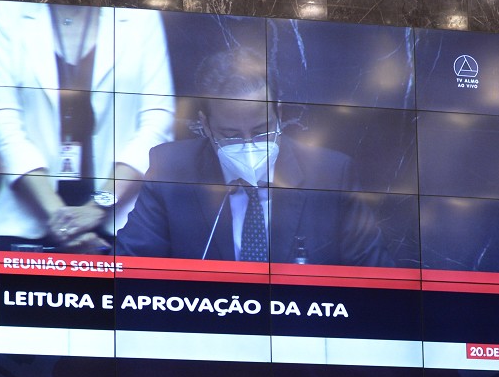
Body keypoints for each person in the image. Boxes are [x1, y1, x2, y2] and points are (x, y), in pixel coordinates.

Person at [115, 48, 390, 266]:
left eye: (261, 132)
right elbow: (129, 267)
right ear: (206, 126)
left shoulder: (331, 174)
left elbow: (376, 280)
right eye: (231, 135)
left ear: (279, 114)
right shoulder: (171, 169)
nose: (249, 146)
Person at [0, 1, 175, 252]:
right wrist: (62, 219)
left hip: (121, 226)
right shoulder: (8, 12)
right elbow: (3, 122)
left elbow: (157, 122)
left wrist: (99, 206)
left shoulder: (140, 17)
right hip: (26, 224)